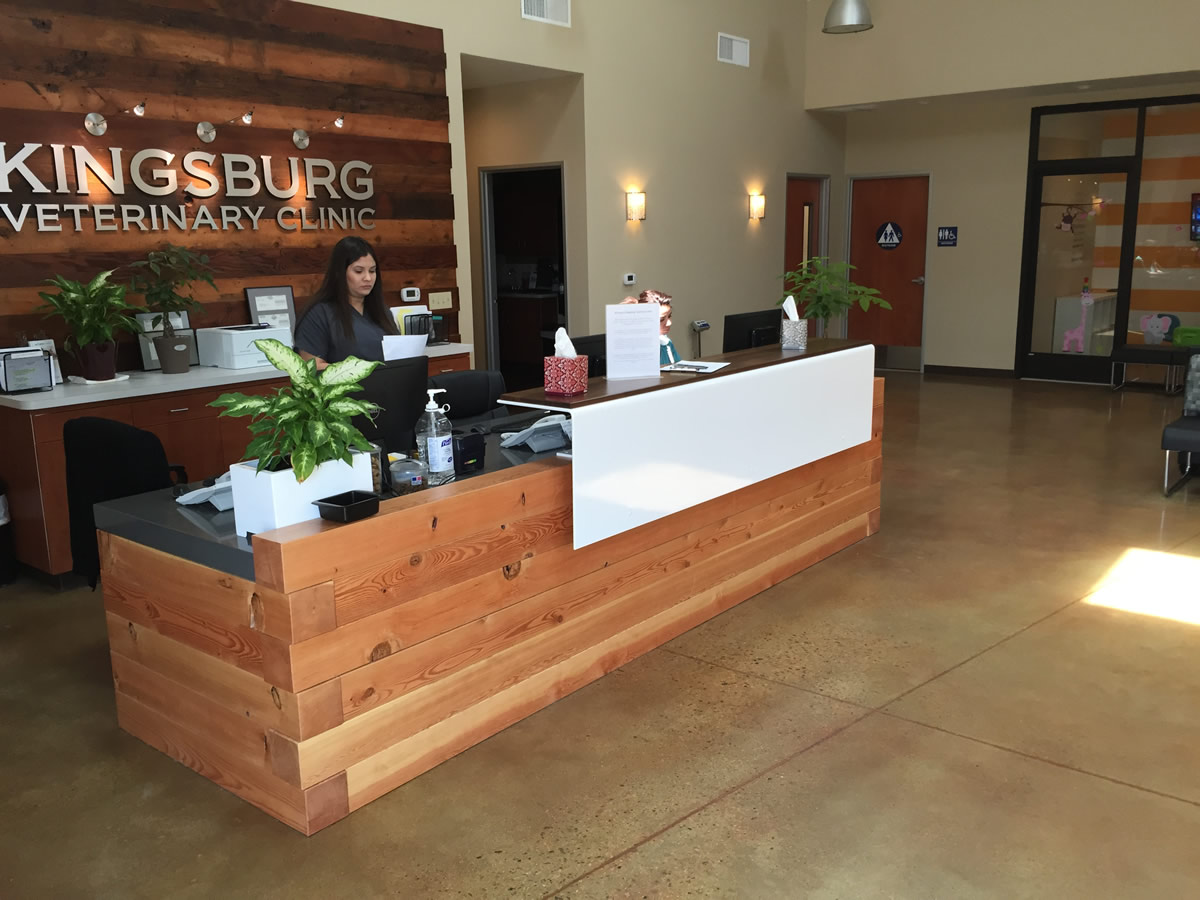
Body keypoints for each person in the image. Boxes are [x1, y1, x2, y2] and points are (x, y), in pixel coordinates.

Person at [294, 236, 398, 368]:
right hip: (345, 388)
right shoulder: (318, 314)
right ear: (339, 273)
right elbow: (311, 367)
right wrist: (357, 372)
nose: (368, 278)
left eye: (372, 271)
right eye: (358, 271)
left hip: (388, 386)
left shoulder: (383, 312)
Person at [621, 289, 680, 365]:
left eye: (669, 316)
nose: (669, 323)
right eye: (661, 320)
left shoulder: (666, 344)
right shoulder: (631, 350)